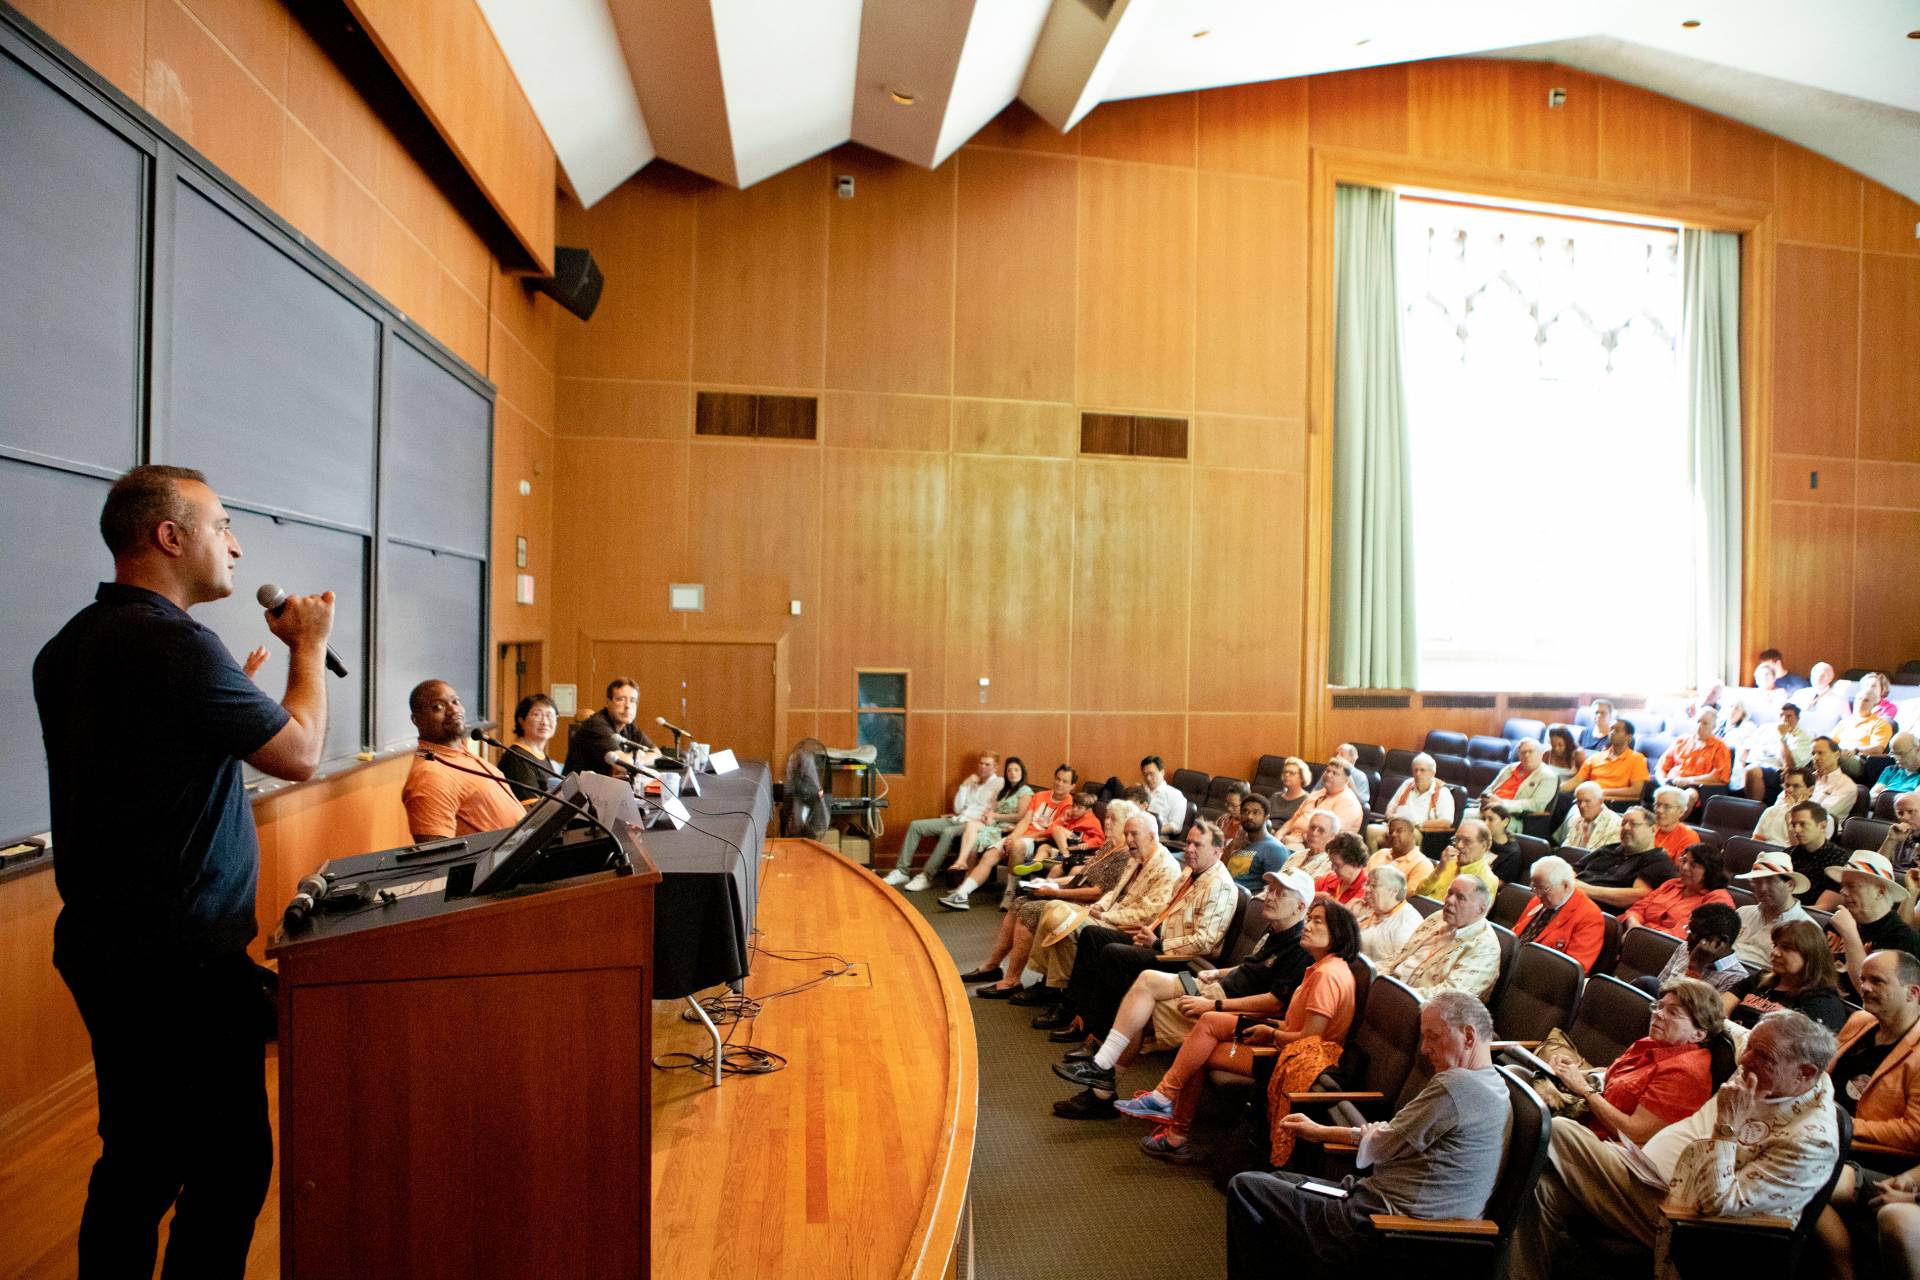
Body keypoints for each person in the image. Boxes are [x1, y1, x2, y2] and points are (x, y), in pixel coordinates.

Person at [35, 464, 334, 1277]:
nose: (236, 544)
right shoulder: (172, 644)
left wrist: (226, 693)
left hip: (109, 947)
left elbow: (143, 772)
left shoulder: (71, 645)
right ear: (170, 537)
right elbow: (302, 753)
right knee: (228, 1168)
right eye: (223, 525)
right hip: (176, 963)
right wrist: (308, 648)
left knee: (138, 1162)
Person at [1511, 1010, 1842, 1279]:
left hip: (1691, 1222)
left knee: (1558, 1130)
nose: (1745, 1061)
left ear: (1806, 1073)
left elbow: (1718, 1205)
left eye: (1762, 1056)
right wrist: (1700, 1005)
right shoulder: (1777, 1070)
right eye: (1750, 1047)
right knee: (1541, 1189)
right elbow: (1732, 1027)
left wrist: (1727, 1126)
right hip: (1649, 1178)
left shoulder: (1811, 1140)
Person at [1224, 992, 1511, 1280]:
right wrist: (1322, 1131)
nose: (1424, 1049)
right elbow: (1393, 1136)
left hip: (1382, 1223)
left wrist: (1328, 1132)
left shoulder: (1457, 1085)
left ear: (1469, 1036)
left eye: (1433, 1036)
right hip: (1376, 1204)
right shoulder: (1495, 1085)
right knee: (1278, 1184)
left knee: (1247, 1188)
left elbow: (1386, 1142)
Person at [1108, 899, 1361, 1166]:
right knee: (1208, 1023)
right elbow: (1294, 1025)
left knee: (1199, 1051)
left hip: (1292, 1059)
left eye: (1317, 921)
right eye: (1309, 919)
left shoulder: (1327, 976)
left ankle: (1174, 1130)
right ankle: (1165, 1105)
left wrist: (1271, 1032)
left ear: (1338, 932)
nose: (1307, 926)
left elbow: (1308, 1041)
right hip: (1283, 1040)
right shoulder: (1320, 968)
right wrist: (1272, 1028)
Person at [1045, 820, 1239, 1048]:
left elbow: (1205, 943)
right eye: (1188, 843)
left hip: (1182, 963)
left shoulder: (1221, 886)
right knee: (1092, 934)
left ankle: (1097, 1036)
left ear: (1218, 851)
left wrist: (1158, 943)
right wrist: (1149, 932)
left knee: (1114, 954)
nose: (1189, 849)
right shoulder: (1189, 872)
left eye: (1198, 845)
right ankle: (1074, 1011)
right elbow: (1166, 910)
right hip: (1156, 942)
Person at [1817, 950, 1920, 1278]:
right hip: (1823, 1136)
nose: (1865, 988)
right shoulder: (1861, 1022)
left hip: (1874, 1157)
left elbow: (1912, 1132)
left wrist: (1842, 1126)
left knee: (1807, 1178)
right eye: (1862, 979)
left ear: (1912, 992)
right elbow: (1822, 1078)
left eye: (1877, 981)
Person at [966, 801, 1139, 994]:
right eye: (1106, 817)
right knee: (1018, 902)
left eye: (1113, 819)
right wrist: (1048, 883)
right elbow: (1082, 877)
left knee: (1030, 909)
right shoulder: (1109, 846)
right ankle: (992, 966)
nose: (1107, 822)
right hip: (1076, 894)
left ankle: (1011, 981)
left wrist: (1056, 892)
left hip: (1090, 906)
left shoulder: (1125, 855)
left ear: (1126, 823)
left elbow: (1098, 892)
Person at [1027, 814, 1182, 1017]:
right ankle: (1051, 981)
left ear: (1152, 836)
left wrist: (1105, 917)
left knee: (1064, 924)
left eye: (1134, 834)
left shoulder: (1167, 868)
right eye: (1126, 834)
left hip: (1124, 926)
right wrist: (1100, 906)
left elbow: (1147, 915)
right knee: (1052, 907)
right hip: (1108, 914)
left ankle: (1061, 993)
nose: (1128, 840)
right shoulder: (1136, 859)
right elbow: (1114, 892)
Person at [1548, 978, 1726, 1145]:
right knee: (1522, 1076)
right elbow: (1618, 1075)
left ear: (1698, 1034)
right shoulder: (1652, 1043)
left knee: (1555, 1127)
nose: (1658, 1015)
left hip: (1614, 1150)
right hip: (1586, 1125)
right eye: (1659, 1006)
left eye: (1673, 1012)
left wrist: (1584, 1090)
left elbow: (1633, 1133)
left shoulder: (1686, 1074)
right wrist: (1571, 1072)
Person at [938, 766, 1083, 909]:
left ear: (1072, 786)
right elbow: (1025, 820)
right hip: (1024, 835)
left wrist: (1017, 840)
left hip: (1042, 842)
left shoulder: (1070, 805)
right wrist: (1012, 836)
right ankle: (962, 895)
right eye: (1057, 779)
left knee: (1017, 845)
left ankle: (1010, 892)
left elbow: (1050, 831)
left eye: (1064, 781)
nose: (1059, 783)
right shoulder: (1040, 796)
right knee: (989, 856)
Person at [401, 680, 526, 841]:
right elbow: (437, 856)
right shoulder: (429, 776)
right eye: (438, 706)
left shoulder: (458, 754)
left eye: (455, 701)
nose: (453, 709)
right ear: (417, 720)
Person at [884, 751, 1004, 891]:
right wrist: (964, 785)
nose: (982, 767)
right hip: (958, 818)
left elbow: (1001, 806)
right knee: (916, 825)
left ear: (995, 767)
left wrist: (992, 814)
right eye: (981, 763)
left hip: (975, 825)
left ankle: (926, 876)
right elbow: (958, 808)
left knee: (948, 832)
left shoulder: (999, 783)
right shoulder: (973, 781)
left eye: (987, 764)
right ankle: (902, 871)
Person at [1381, 876, 1501, 1001]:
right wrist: (1377, 974)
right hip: (1389, 986)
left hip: (1416, 1008)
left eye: (1460, 897)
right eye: (1450, 893)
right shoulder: (1437, 918)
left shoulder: (1486, 948)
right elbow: (1401, 955)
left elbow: (1449, 998)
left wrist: (1392, 992)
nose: (1449, 900)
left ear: (1480, 909)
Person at [1727, 918, 1850, 1031]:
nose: (1775, 953)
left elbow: (1798, 1050)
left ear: (1810, 956)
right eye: (1775, 945)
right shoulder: (1760, 978)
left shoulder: (1822, 1002)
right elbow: (1719, 1011)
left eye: (1786, 948)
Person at [1827, 851, 1920, 998]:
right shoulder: (1837, 922)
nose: (1843, 892)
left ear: (1880, 892)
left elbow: (1870, 995)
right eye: (1843, 885)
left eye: (1852, 886)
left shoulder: (1901, 938)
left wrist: (1850, 934)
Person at [1513, 854, 1608, 972]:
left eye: (1544, 889)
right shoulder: (1540, 899)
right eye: (1534, 887)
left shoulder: (1589, 917)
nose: (1538, 895)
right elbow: (1516, 934)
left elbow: (1572, 972)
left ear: (1566, 885)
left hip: (1537, 975)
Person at [1569, 807, 1675, 911]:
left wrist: (1586, 889)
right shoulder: (1608, 849)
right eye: (1623, 823)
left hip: (1595, 912)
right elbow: (1574, 869)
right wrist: (1569, 882)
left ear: (1653, 829)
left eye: (1633, 824)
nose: (1626, 828)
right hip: (1568, 898)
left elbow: (1637, 897)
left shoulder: (1658, 861)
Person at [1620, 844, 1735, 938]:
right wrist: (1633, 925)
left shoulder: (1718, 900)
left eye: (1693, 865)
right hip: (1634, 933)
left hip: (1666, 949)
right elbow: (1638, 908)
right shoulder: (1671, 884)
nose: (1684, 868)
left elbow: (1685, 935)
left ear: (1710, 870)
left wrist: (1641, 936)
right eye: (1683, 861)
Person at [1731, 851, 1816, 967]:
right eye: (1757, 882)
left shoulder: (1806, 929)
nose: (1763, 888)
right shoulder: (1742, 913)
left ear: (1790, 885)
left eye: (1771, 881)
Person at [1645, 902, 1747, 996]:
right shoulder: (1685, 948)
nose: (1688, 939)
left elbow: (1686, 1011)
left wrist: (1694, 968)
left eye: (1696, 935)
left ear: (1722, 941)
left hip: (1675, 1014)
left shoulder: (1736, 979)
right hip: (1657, 1010)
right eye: (1689, 931)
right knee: (1647, 984)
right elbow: (1658, 992)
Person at [561, 677, 657, 776]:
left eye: (633, 700)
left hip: (604, 787)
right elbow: (623, 765)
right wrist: (637, 756)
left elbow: (656, 753)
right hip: (580, 789)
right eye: (621, 699)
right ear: (608, 702)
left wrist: (635, 759)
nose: (628, 706)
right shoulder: (596, 724)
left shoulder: (629, 725)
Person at [953, 755, 1032, 870]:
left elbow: (1020, 816)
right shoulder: (1004, 790)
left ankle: (966, 874)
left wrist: (995, 816)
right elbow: (993, 808)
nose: (1012, 773)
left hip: (1008, 828)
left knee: (974, 838)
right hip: (994, 823)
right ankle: (962, 862)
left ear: (1022, 772)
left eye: (1016, 770)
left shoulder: (1025, 791)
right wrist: (988, 815)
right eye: (1009, 770)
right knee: (971, 825)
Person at [1657, 707, 1734, 814]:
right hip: (1671, 782)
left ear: (1714, 727)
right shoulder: (1681, 741)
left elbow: (1720, 776)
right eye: (1698, 721)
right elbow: (1661, 766)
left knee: (1689, 795)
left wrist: (1689, 780)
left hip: (1696, 786)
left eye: (1705, 723)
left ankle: (1673, 825)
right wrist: (1662, 782)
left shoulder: (1720, 747)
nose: (1699, 726)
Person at [1276, 759, 1365, 850]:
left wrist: (1299, 838)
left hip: (1319, 848)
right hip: (1293, 839)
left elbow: (1329, 836)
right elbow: (1293, 820)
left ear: (1346, 779)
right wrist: (1279, 835)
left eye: (1335, 773)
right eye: (1327, 771)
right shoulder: (1317, 794)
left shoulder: (1349, 802)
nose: (1328, 775)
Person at [1737, 700, 1813, 800]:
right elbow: (1746, 749)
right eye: (1781, 715)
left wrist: (1782, 738)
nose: (1784, 719)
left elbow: (1790, 766)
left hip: (1777, 770)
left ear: (1797, 718)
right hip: (1754, 762)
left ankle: (1754, 810)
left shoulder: (1803, 737)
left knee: (1752, 771)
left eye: (1789, 716)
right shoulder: (1765, 727)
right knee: (1744, 769)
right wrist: (1741, 764)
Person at [1412, 816, 1500, 903]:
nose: (1459, 845)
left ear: (1484, 846)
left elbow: (1472, 916)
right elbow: (1418, 895)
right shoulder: (1448, 863)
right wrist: (1439, 869)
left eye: (1467, 841)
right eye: (1457, 839)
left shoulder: (1488, 880)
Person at [1561, 718, 1650, 802]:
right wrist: (1555, 788)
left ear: (1629, 737)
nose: (1612, 732)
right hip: (1588, 798)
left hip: (1613, 802)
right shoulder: (1596, 757)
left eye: (1617, 730)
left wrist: (1601, 793)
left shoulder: (1637, 758)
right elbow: (1576, 781)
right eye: (1611, 729)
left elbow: (1636, 790)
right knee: (1559, 797)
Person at [1784, 799, 1851, 908]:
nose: (1796, 830)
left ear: (1822, 826)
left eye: (1802, 824)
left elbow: (1822, 909)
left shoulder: (1840, 861)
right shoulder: (1787, 855)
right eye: (1793, 824)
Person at [496, 692, 562, 800]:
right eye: (537, 715)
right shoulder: (516, 758)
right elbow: (530, 809)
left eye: (550, 715)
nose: (544, 722)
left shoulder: (541, 755)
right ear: (521, 720)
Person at [1355, 864, 1424, 961]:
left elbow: (1398, 964)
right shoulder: (1369, 910)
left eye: (1374, 885)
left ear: (1394, 891)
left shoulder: (1407, 921)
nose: (1367, 889)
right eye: (1367, 884)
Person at [1482, 738, 1557, 824]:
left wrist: (1501, 803)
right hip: (1486, 809)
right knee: (1465, 815)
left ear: (1541, 754)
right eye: (1523, 752)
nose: (1527, 755)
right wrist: (1486, 797)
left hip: (1511, 816)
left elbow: (1536, 805)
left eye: (1531, 751)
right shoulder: (1509, 768)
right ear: (1519, 755)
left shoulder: (1548, 776)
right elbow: (1490, 788)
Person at [1378, 753, 1454, 836]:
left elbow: (1446, 822)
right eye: (1415, 770)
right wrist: (1392, 818)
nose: (1418, 774)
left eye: (1422, 770)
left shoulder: (1442, 792)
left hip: (1419, 831)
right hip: (1395, 826)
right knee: (1371, 831)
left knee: (1405, 836)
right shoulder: (1407, 784)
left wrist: (1417, 824)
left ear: (1432, 773)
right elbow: (1390, 808)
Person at [1225, 793, 1287, 891]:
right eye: (1245, 811)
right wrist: (1232, 845)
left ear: (1266, 817)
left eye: (1256, 812)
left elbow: (1276, 889)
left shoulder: (1275, 849)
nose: (1249, 816)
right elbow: (1220, 871)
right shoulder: (1239, 843)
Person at [1365, 815, 1435, 896]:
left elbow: (1408, 897)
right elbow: (1363, 880)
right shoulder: (1380, 853)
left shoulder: (1422, 864)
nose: (1393, 834)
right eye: (1391, 831)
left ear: (1412, 834)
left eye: (1399, 831)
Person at [1754, 765, 1823, 844]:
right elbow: (1755, 842)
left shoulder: (1819, 818)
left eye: (1796, 786)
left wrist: (1792, 817)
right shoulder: (1771, 811)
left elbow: (1803, 851)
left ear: (1810, 790)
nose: (1789, 790)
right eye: (1787, 785)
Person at [1555, 780, 1622, 851]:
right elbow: (1566, 850)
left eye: (1587, 801)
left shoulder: (1615, 825)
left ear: (1601, 800)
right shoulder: (1576, 821)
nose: (1582, 805)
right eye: (1579, 801)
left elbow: (1609, 858)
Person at [1812, 734, 1862, 824]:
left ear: (1837, 755)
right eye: (1813, 754)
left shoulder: (1847, 786)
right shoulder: (1808, 778)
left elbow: (1819, 815)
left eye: (1820, 753)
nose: (1815, 758)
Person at [1280, 810, 1341, 880]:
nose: (1314, 833)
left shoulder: (1331, 866)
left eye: (1321, 830)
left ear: (1332, 837)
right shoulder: (1295, 856)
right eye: (1312, 827)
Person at [1313, 832, 1369, 906]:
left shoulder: (1367, 890)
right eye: (1332, 863)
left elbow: (1348, 915)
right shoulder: (1330, 879)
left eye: (1337, 865)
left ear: (1354, 864)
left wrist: (1328, 899)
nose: (1332, 869)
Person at [1839, 688, 1897, 758]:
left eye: (1866, 700)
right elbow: (1831, 740)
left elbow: (1878, 748)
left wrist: (1856, 750)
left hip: (1857, 758)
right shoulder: (1846, 721)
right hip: (1837, 753)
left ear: (1875, 704)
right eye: (1859, 699)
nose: (1861, 702)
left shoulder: (1880, 724)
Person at [1648, 785, 1702, 860]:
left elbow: (1680, 870)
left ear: (1681, 812)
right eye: (1657, 805)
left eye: (1667, 806)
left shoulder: (1688, 837)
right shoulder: (1648, 827)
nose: (1659, 810)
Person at [1484, 802, 1531, 883]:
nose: (1485, 823)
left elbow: (1500, 883)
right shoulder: (1480, 839)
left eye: (1491, 819)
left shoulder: (1512, 852)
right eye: (1483, 819)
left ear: (1505, 822)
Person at [1140, 755, 1185, 835]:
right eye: (1145, 775)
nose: (1148, 778)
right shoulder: (1140, 792)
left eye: (1151, 774)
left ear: (1162, 772)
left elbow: (1176, 826)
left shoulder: (1175, 795)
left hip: (1158, 838)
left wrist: (1153, 831)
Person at [1267, 756, 1312, 828]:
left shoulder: (1307, 800)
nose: (1287, 775)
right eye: (1285, 772)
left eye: (1292, 773)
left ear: (1302, 777)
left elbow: (1301, 827)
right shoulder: (1275, 797)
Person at [1887, 792, 1920, 880]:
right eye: (1900, 813)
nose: (1904, 817)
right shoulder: (1898, 832)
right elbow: (1875, 867)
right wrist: (1890, 840)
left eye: (1911, 811)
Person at [1876, 736, 1920, 803]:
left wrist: (1885, 794)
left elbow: (1914, 802)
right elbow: (1871, 798)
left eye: (1901, 753)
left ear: (1918, 749)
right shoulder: (1890, 770)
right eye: (1893, 754)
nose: (1897, 758)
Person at [1333, 743, 1373, 809]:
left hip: (1346, 809)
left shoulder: (1360, 776)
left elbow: (1362, 802)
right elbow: (1316, 792)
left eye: (1341, 754)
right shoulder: (1329, 772)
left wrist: (1351, 784)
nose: (1337, 757)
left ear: (1353, 758)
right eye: (1336, 754)